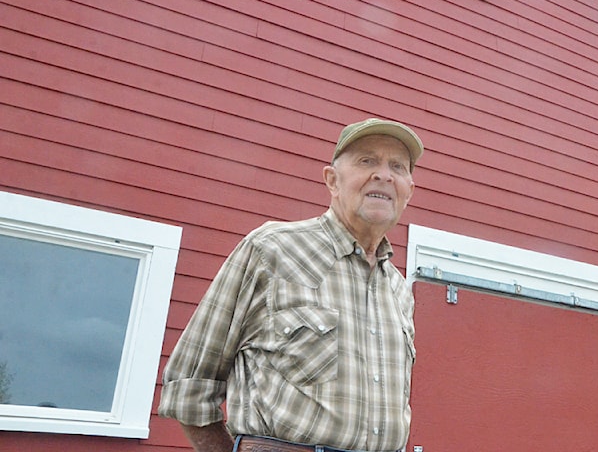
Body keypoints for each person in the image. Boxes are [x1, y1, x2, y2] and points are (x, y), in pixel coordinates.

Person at [159, 118, 424, 452]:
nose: (384, 175)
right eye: (366, 161)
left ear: (408, 191)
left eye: (397, 166)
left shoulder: (398, 290)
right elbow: (189, 384)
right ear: (332, 181)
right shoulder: (271, 250)